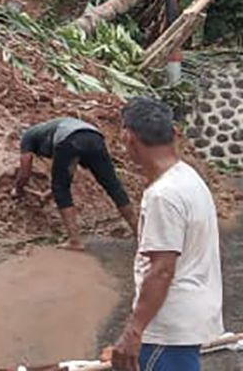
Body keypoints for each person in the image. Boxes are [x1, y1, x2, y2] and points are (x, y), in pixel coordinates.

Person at [111, 96, 223, 371]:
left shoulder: (163, 195)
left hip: (168, 327)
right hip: (188, 319)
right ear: (175, 133)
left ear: (128, 137)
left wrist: (133, 331)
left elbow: (161, 269)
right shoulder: (188, 177)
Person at [15, 115, 136, 250]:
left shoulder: (27, 137)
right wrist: (51, 193)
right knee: (113, 185)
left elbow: (25, 172)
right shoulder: (48, 129)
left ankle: (75, 240)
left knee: (61, 189)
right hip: (95, 136)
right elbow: (70, 169)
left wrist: (18, 190)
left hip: (70, 139)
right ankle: (139, 233)